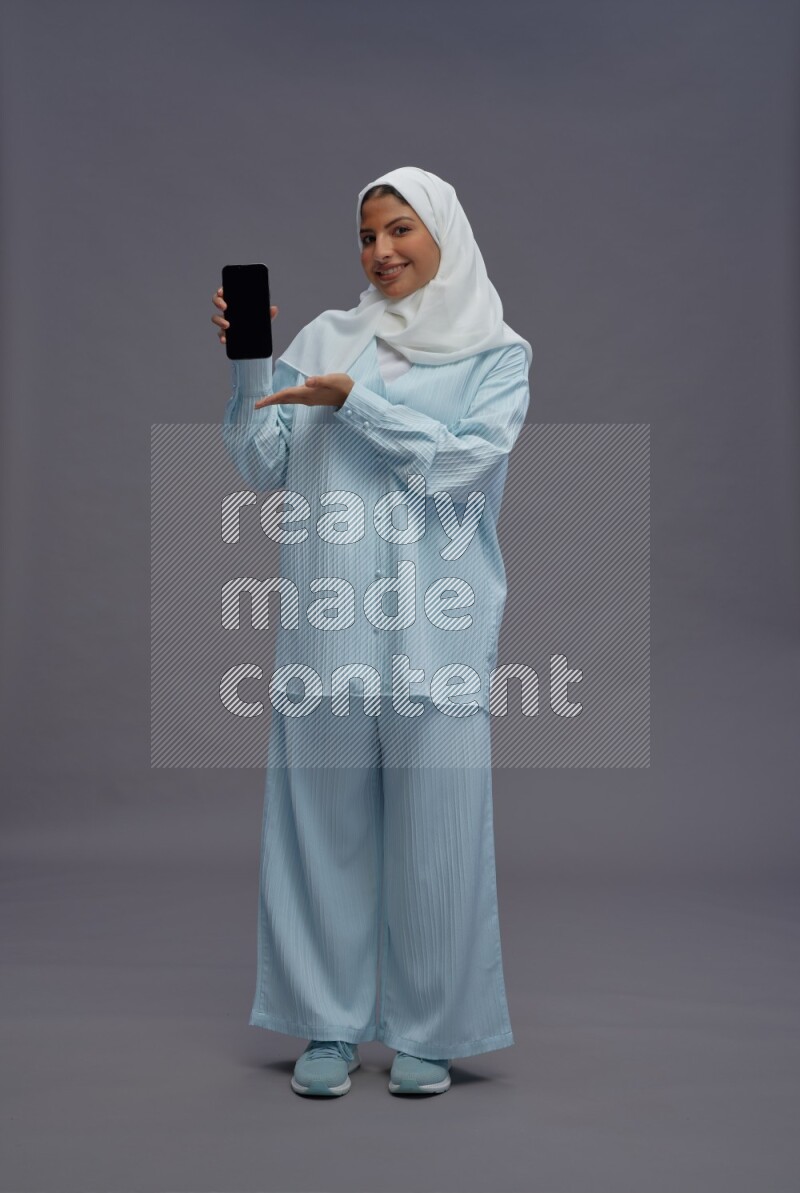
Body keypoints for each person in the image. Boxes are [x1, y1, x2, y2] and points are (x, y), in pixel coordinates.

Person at [212, 166, 532, 1097]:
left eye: (400, 230)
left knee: (441, 837)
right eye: (366, 236)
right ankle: (327, 1023)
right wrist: (247, 365)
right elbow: (260, 466)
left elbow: (466, 466)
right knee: (319, 830)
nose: (381, 251)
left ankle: (431, 1027)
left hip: (439, 629)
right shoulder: (318, 337)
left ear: (442, 233)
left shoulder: (496, 353)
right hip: (329, 626)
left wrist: (356, 403)